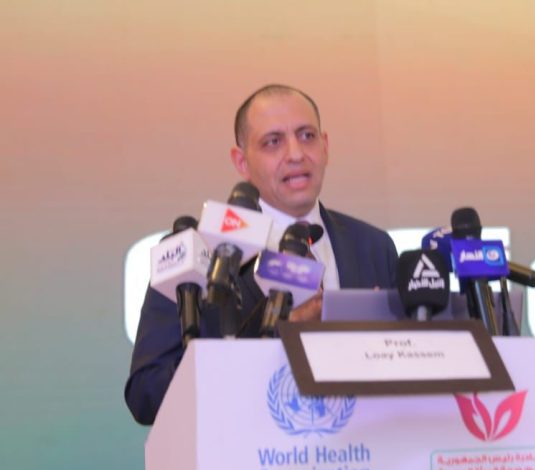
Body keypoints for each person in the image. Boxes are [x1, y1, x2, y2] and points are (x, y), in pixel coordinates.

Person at [125, 84, 399, 425]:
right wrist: (277, 337)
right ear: (242, 162)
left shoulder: (373, 246)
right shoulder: (199, 250)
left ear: (325, 146)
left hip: (360, 449)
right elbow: (147, 395)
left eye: (307, 136)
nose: (296, 154)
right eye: (273, 142)